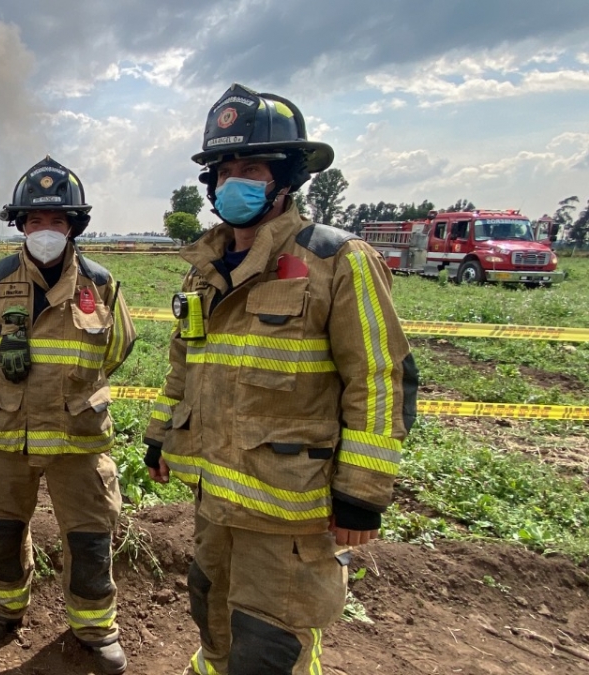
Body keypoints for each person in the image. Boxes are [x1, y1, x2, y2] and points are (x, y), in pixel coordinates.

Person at [143, 84, 418, 675]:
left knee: (269, 649)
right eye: (225, 171)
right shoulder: (205, 272)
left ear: (287, 178)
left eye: (252, 170)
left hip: (291, 512)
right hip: (215, 501)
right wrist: (161, 435)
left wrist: (362, 494)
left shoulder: (338, 261)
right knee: (212, 621)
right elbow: (184, 366)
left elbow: (378, 379)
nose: (233, 183)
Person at [0, 156, 137, 674]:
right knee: (3, 527)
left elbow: (118, 347)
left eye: (56, 221)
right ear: (20, 225)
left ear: (73, 226)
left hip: (76, 434)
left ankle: (95, 627)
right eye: (35, 220)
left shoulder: (100, 283)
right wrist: (10, 384)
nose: (45, 231)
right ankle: (3, 609)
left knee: (90, 535)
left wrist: (73, 388)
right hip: (7, 433)